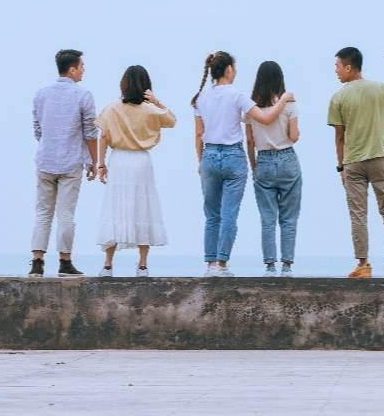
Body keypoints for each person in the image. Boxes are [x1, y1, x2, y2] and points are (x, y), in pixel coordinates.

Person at [193, 51, 294, 277]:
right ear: (229, 69)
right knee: (229, 214)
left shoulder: (200, 98)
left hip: (209, 156)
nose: (236, 71)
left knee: (211, 215)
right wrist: (285, 99)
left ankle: (210, 265)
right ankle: (221, 264)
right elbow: (266, 118)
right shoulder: (237, 95)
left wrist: (201, 162)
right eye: (235, 68)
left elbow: (199, 134)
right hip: (233, 157)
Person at [327, 47, 384, 279]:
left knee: (358, 214)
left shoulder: (338, 97)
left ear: (348, 67)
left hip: (353, 161)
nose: (335, 71)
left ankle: (363, 265)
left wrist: (341, 167)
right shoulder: (380, 89)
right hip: (380, 157)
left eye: (337, 66)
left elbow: (339, 137)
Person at [94, 65, 175, 277]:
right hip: (141, 161)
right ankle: (142, 265)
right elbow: (172, 120)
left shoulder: (112, 108)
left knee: (115, 208)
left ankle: (108, 264)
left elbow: (102, 136)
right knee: (143, 207)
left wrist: (101, 164)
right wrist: (157, 101)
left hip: (119, 159)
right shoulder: (150, 110)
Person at [29, 49, 98, 277]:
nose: (83, 70)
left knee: (42, 213)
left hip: (45, 161)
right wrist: (93, 162)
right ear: (72, 69)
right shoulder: (83, 96)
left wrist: (51, 144)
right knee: (66, 214)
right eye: (81, 66)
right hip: (70, 163)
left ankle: (37, 261)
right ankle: (65, 261)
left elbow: (38, 129)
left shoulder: (41, 94)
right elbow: (90, 133)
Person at [245, 61, 302, 278]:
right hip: (287, 159)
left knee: (267, 218)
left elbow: (249, 141)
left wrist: (254, 166)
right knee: (289, 217)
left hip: (263, 161)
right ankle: (287, 266)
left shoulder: (252, 109)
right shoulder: (289, 106)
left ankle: (269, 266)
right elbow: (294, 137)